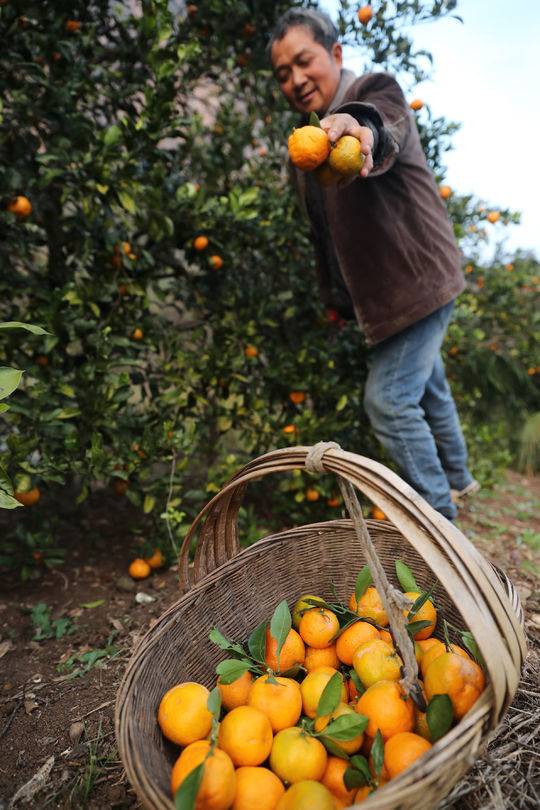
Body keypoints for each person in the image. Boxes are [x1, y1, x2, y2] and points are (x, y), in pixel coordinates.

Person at [269, 8, 479, 521]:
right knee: (429, 384)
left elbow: (383, 125)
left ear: (335, 55)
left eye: (304, 62)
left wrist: (360, 127)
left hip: (421, 282)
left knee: (388, 400)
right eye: (282, 73)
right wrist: (337, 301)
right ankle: (461, 481)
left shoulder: (374, 89)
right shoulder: (308, 151)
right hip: (391, 296)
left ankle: (441, 524)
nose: (295, 80)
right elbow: (327, 240)